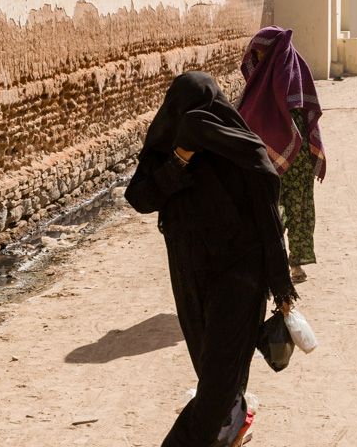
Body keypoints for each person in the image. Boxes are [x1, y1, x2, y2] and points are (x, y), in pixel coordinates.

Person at [125, 71, 297, 447]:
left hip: (241, 273)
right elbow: (140, 197)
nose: (195, 122)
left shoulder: (241, 148)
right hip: (190, 273)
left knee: (218, 380)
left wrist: (279, 280)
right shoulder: (166, 149)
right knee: (215, 369)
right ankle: (231, 425)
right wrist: (180, 158)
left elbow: (269, 215)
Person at [238, 27, 327, 284]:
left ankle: (296, 263)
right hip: (267, 159)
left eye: (259, 52)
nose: (256, 58)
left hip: (294, 159)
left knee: (296, 208)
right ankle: (271, 262)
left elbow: (305, 115)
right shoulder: (262, 83)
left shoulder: (291, 73)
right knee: (268, 209)